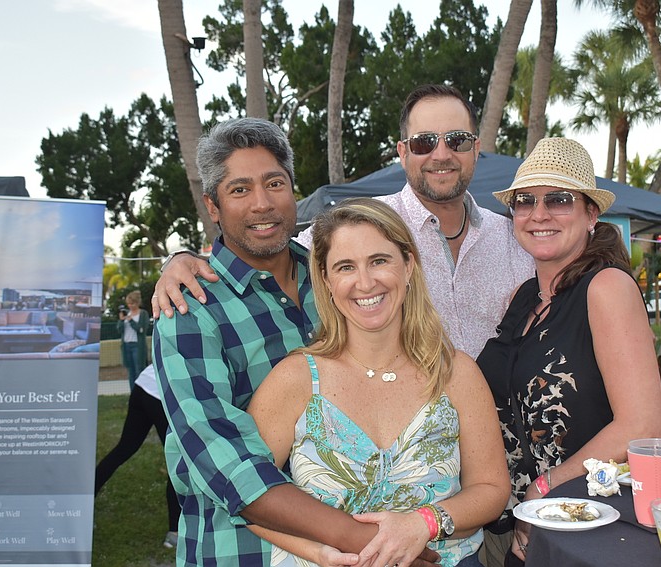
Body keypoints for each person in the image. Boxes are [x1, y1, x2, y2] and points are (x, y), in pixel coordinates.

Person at [154, 117, 441, 567]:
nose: (262, 203)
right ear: (213, 206)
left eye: (274, 183)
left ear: (292, 188)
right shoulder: (190, 310)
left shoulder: (336, 277)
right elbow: (225, 462)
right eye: (239, 190)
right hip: (241, 549)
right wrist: (363, 540)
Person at [152, 84, 534, 361]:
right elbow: (273, 246)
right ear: (403, 152)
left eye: (457, 140)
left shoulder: (514, 237)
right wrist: (181, 260)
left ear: (476, 148)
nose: (441, 154)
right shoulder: (362, 226)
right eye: (424, 142)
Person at [245, 198, 510, 567]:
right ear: (326, 280)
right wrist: (319, 552)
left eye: (379, 261)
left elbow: (491, 488)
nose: (365, 282)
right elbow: (247, 495)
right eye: (345, 267)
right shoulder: (297, 379)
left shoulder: (455, 373)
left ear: (408, 265)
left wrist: (423, 523)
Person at [476, 137, 661, 564]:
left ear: (591, 214)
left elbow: (643, 425)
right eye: (525, 201)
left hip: (587, 523)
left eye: (559, 199)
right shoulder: (524, 297)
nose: (539, 214)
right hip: (518, 527)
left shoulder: (606, 287)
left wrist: (544, 489)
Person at [94, 364, 180, 548]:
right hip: (160, 394)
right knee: (177, 459)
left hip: (143, 384)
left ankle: (83, 505)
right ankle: (174, 532)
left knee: (124, 449)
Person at [117, 290, 149, 388]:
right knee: (131, 371)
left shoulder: (143, 314)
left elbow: (142, 330)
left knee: (139, 370)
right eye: (128, 304)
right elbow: (119, 330)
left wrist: (131, 321)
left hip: (137, 346)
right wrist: (121, 320)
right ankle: (133, 392)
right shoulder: (127, 313)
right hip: (126, 345)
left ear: (137, 303)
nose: (130, 306)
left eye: (132, 303)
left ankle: (141, 392)